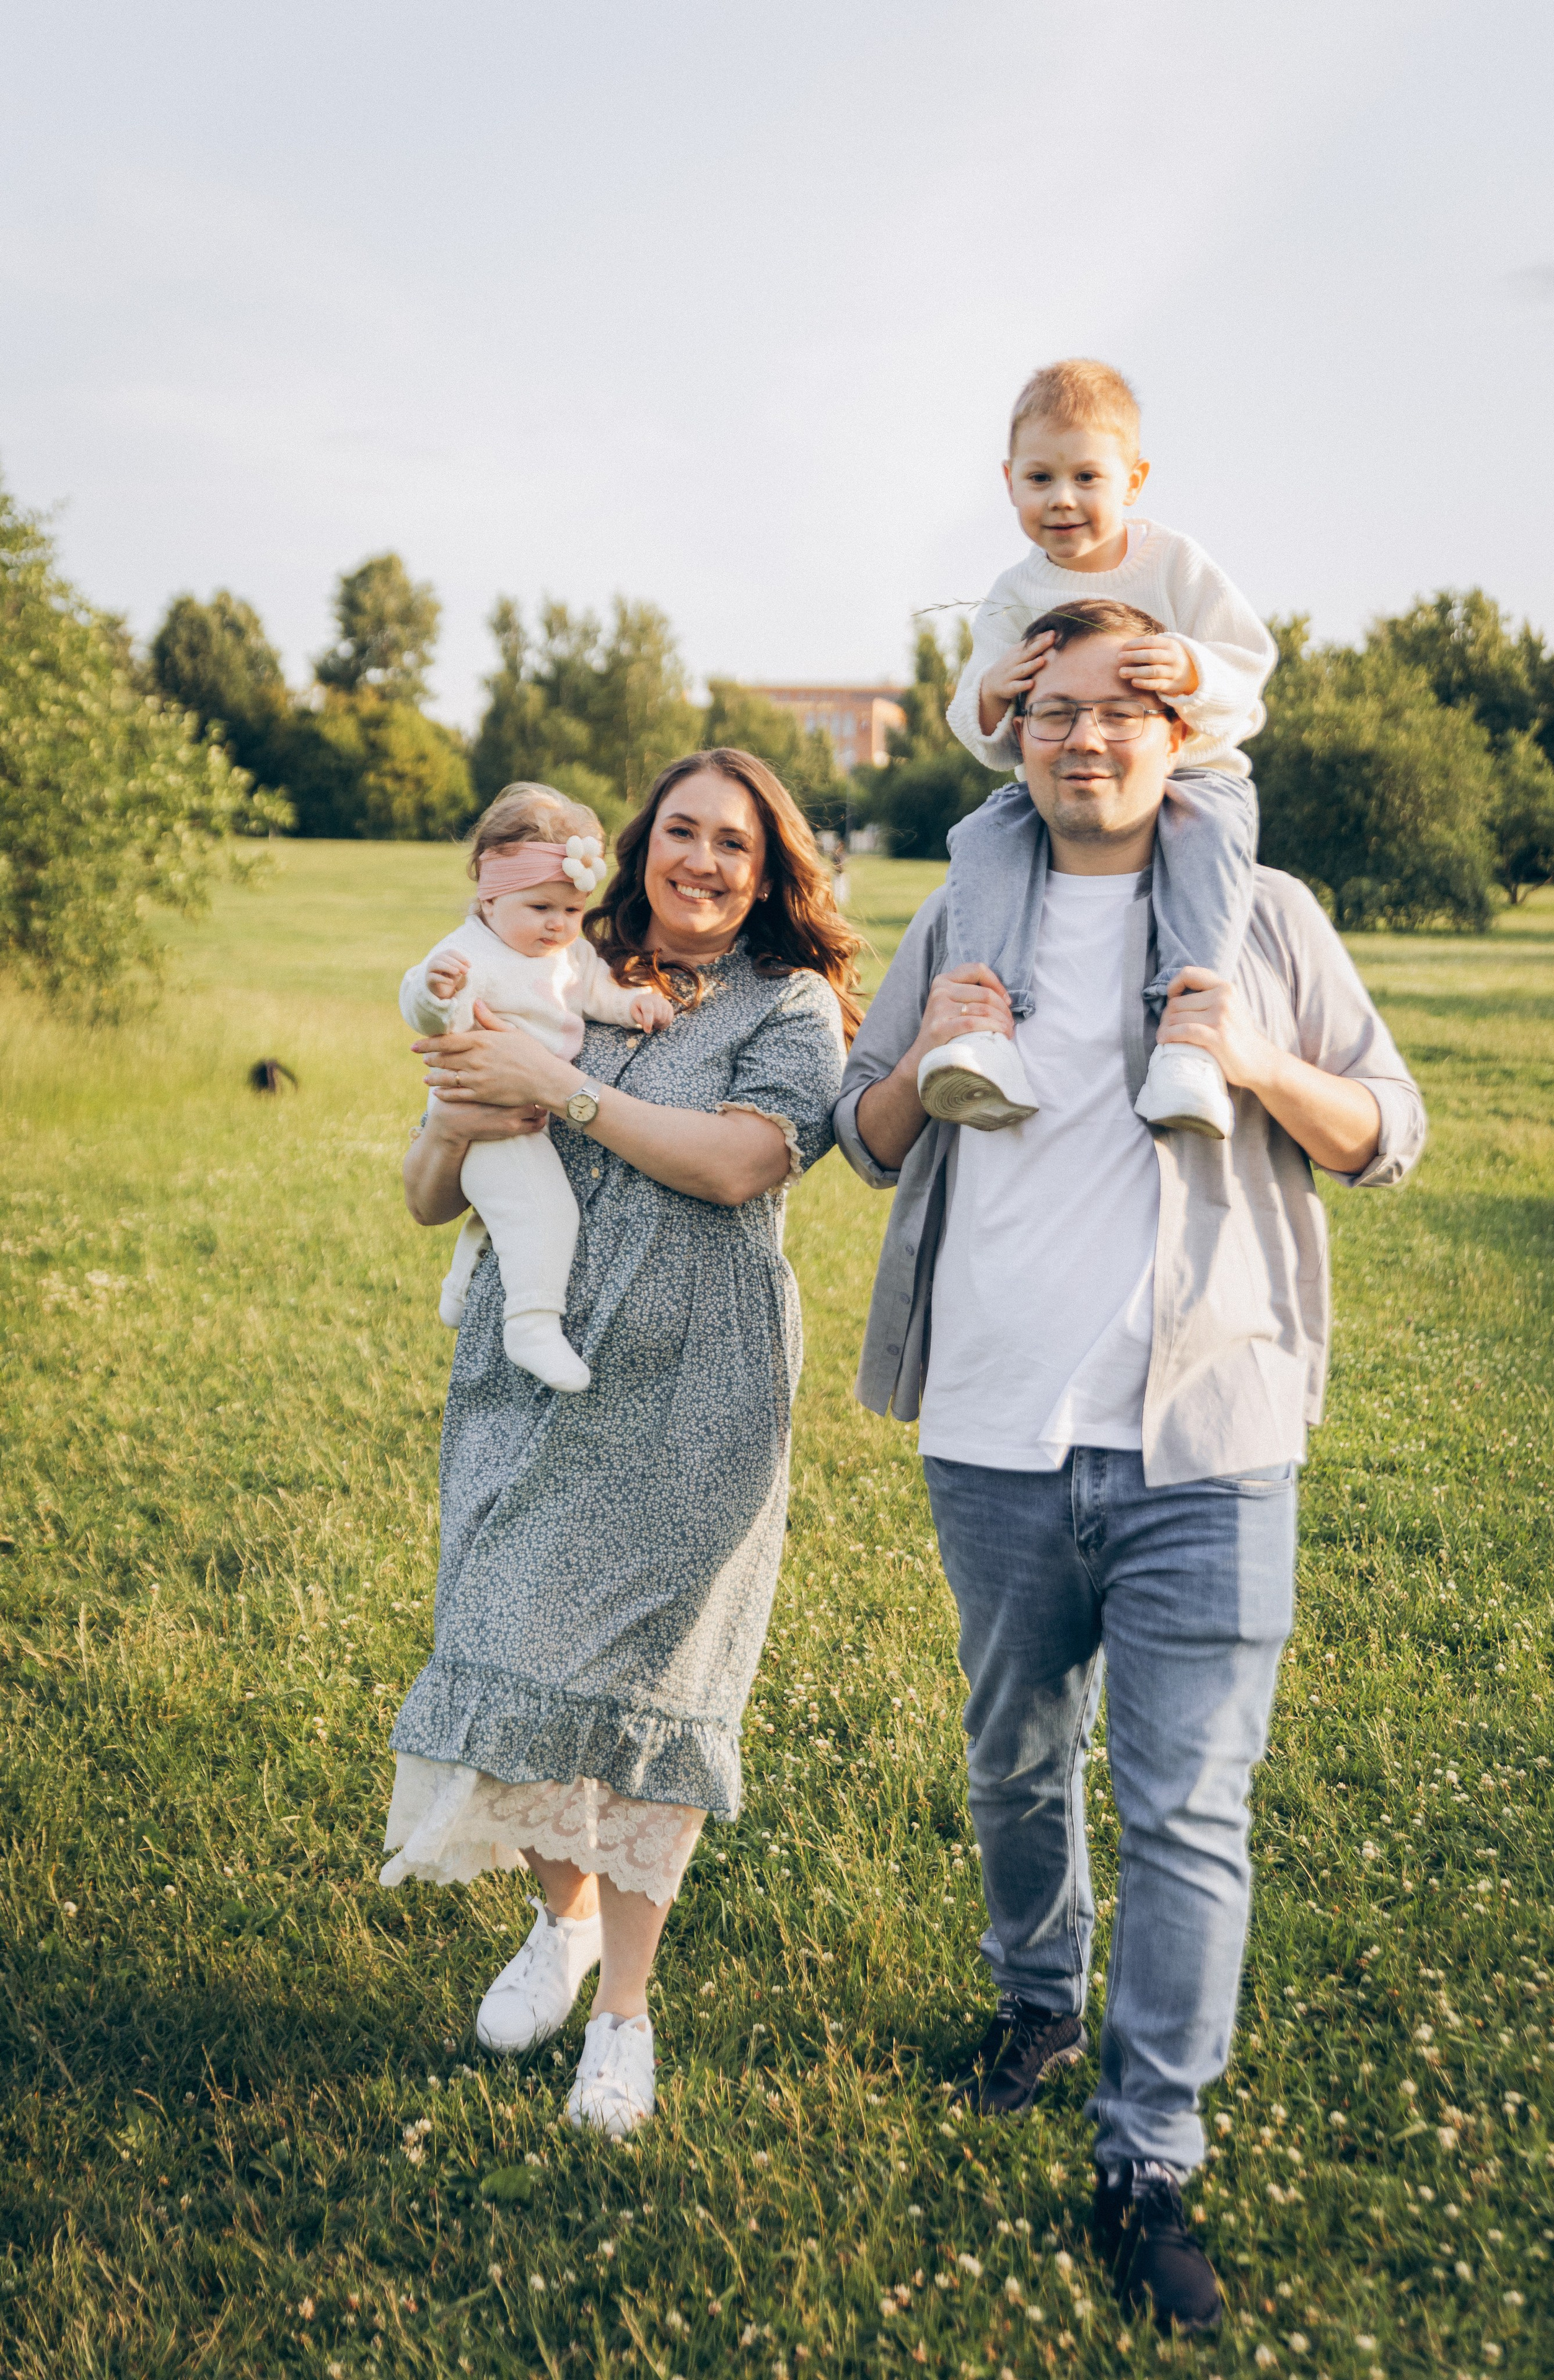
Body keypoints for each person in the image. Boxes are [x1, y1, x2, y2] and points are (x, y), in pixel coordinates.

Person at [836, 602, 1425, 2336]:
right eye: (1054, 713)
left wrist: (1255, 1063)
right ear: (1012, 732)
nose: (1086, 739)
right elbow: (865, 1139)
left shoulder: (1267, 918)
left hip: (1209, 1439)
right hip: (995, 1430)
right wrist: (931, 1039)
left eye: (1123, 713)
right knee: (1018, 1760)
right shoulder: (960, 908)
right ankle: (1035, 1999)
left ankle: (1148, 2152)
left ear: (1184, 739)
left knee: (1188, 1811)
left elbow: (1392, 1132)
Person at [382, 749, 859, 2138]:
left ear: (768, 875)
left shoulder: (793, 1008)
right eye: (682, 834)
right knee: (513, 1645)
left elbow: (737, 1164)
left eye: (736, 846)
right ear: (638, 845)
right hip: (530, 1375)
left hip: (697, 1386)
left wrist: (564, 1086)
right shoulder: (548, 955)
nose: (702, 862)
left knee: (653, 1701)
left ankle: (623, 2017)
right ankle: (561, 1921)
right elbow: (428, 1188)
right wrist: (470, 1106)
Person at [922, 358, 1276, 1144]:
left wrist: (1191, 667)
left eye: (1087, 476)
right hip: (1057, 786)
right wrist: (992, 692)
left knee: (1211, 835)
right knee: (983, 836)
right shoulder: (1015, 594)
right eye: (1040, 478)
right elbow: (974, 725)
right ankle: (984, 1030)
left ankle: (1188, 1042)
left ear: (1134, 480)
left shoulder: (1175, 564)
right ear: (1009, 482)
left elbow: (1247, 665)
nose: (1063, 500)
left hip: (1193, 773)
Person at [398, 783, 674, 1392]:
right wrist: (432, 993)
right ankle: (531, 1326)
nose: (558, 926)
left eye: (572, 912)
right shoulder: (468, 953)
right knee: (544, 1209)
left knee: (509, 1204)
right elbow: (426, 1012)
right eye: (540, 908)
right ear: (490, 900)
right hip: (482, 1112)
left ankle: (460, 1282)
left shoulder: (569, 955)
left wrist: (634, 1006)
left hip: (526, 1110)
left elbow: (596, 993)